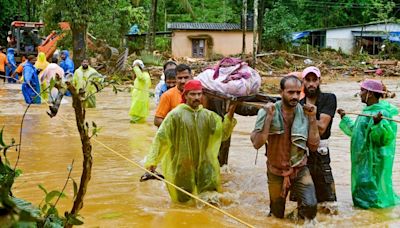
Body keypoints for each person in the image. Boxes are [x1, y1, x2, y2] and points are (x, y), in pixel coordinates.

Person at [144, 80, 237, 203]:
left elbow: (222, 135)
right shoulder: (175, 116)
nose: (196, 97)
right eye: (192, 94)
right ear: (185, 95)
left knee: (210, 200)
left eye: (199, 94)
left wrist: (230, 114)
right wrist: (153, 161)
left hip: (205, 166)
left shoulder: (209, 116)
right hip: (182, 166)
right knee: (184, 202)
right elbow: (161, 138)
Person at [251, 75, 319, 220]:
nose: (295, 96)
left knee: (311, 206)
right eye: (290, 92)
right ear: (281, 92)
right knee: (276, 214)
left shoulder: (306, 113)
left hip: (299, 168)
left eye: (297, 92)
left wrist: (313, 119)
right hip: (276, 170)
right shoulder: (267, 111)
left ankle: (293, 221)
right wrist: (269, 118)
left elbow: (313, 146)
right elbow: (257, 143)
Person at [338, 79, 399, 209]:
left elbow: (384, 139)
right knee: (363, 188)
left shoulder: (382, 113)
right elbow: (356, 132)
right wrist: (344, 118)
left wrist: (378, 124)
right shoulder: (366, 111)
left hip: (373, 161)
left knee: (371, 190)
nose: (360, 93)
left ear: (369, 93)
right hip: (362, 160)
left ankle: (373, 216)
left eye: (362, 90)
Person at [298, 66, 337, 211]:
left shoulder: (329, 98)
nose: (311, 84)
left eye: (314, 80)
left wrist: (310, 115)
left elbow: (321, 128)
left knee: (329, 205)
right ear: (303, 82)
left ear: (320, 81)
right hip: (302, 155)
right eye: (308, 80)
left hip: (321, 154)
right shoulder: (298, 104)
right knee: (302, 205)